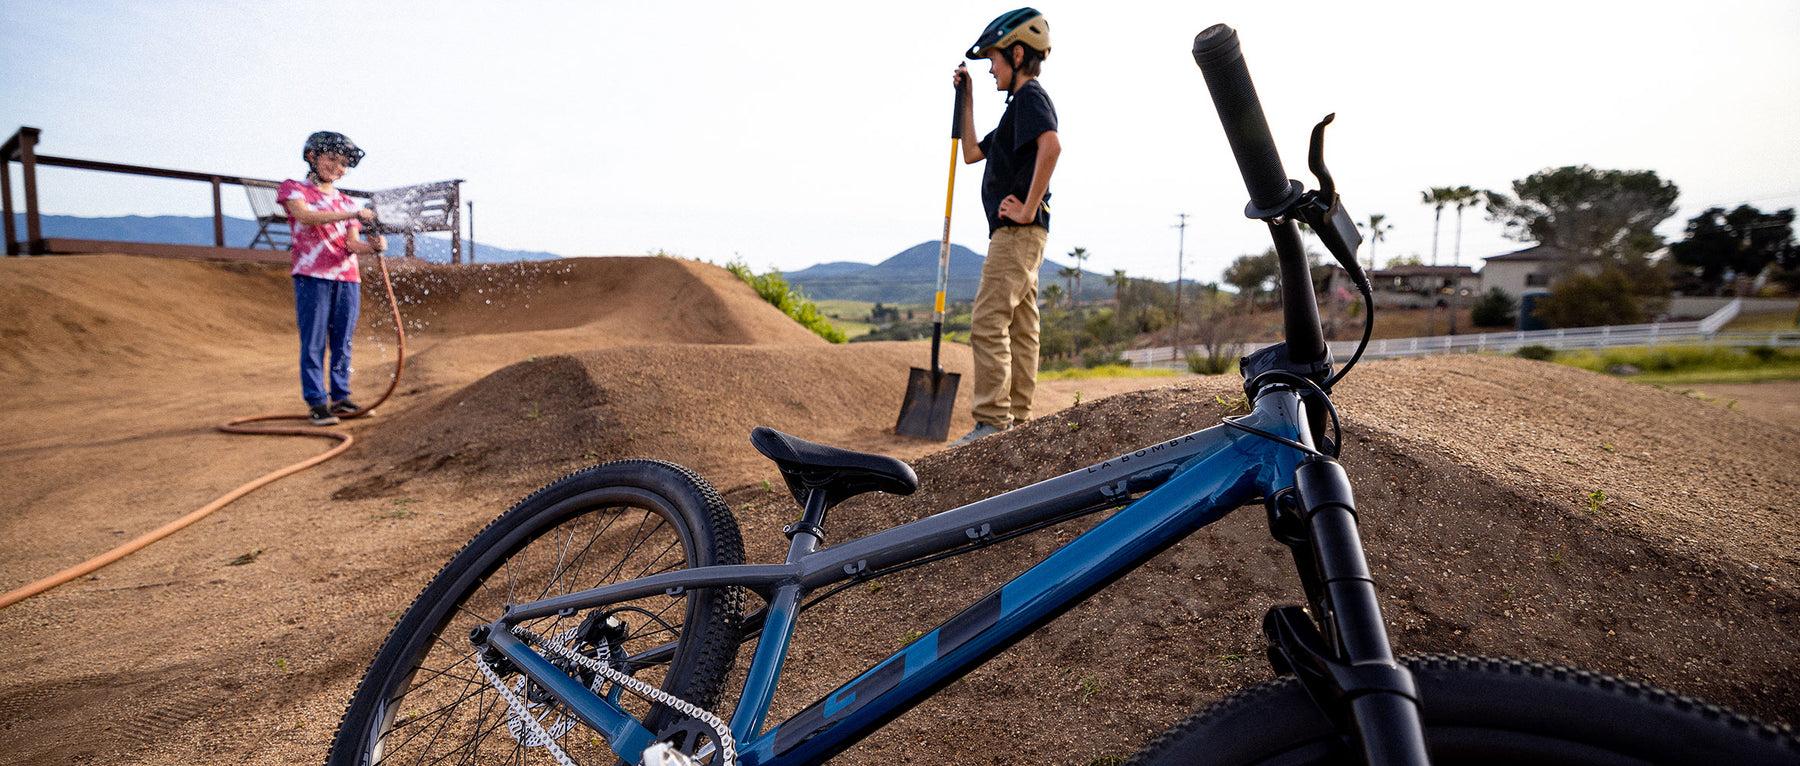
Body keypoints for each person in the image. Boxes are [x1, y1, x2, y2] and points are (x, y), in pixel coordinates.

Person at [950, 8, 1061, 447]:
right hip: (1026, 236)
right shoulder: (1017, 110)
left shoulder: (1031, 97)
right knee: (1021, 325)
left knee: (988, 319)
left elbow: (1051, 145)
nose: (991, 69)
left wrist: (1027, 207)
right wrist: (968, 97)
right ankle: (1017, 415)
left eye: (993, 61)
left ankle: (993, 421)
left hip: (1017, 233)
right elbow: (973, 152)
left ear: (1017, 54)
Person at [279, 131, 384, 426]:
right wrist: (351, 213)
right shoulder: (294, 190)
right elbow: (306, 217)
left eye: (343, 165)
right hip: (312, 276)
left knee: (342, 340)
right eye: (332, 160)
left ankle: (340, 397)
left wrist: (371, 246)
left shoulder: (346, 201)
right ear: (312, 156)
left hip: (347, 277)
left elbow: (351, 244)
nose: (338, 168)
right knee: (313, 341)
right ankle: (316, 401)